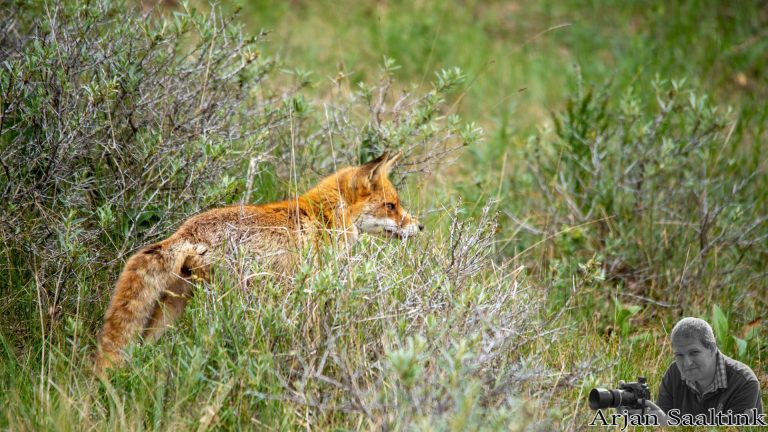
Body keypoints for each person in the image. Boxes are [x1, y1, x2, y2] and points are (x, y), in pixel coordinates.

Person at [639, 317, 763, 424]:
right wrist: (638, 417)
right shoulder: (674, 373)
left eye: (694, 353)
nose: (687, 363)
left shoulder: (744, 382)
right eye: (679, 355)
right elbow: (660, 422)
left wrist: (669, 426)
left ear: (712, 349)